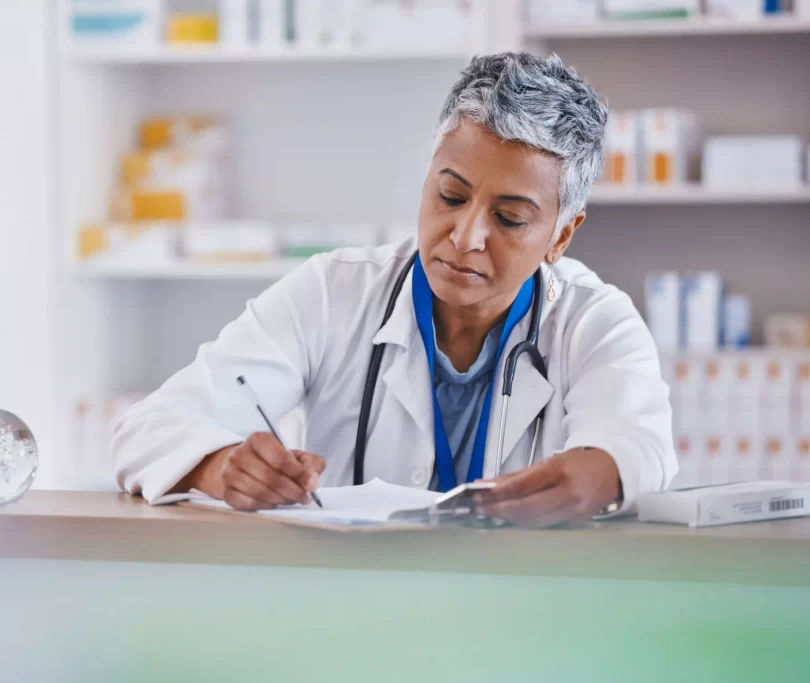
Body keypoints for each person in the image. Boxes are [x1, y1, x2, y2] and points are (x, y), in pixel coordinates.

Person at [113, 52, 677, 526]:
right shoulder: (334, 292)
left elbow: (640, 445)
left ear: (561, 236)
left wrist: (600, 471)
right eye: (451, 197)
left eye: (508, 218)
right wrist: (220, 465)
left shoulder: (595, 322)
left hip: (519, 619)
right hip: (358, 617)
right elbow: (145, 429)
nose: (465, 237)